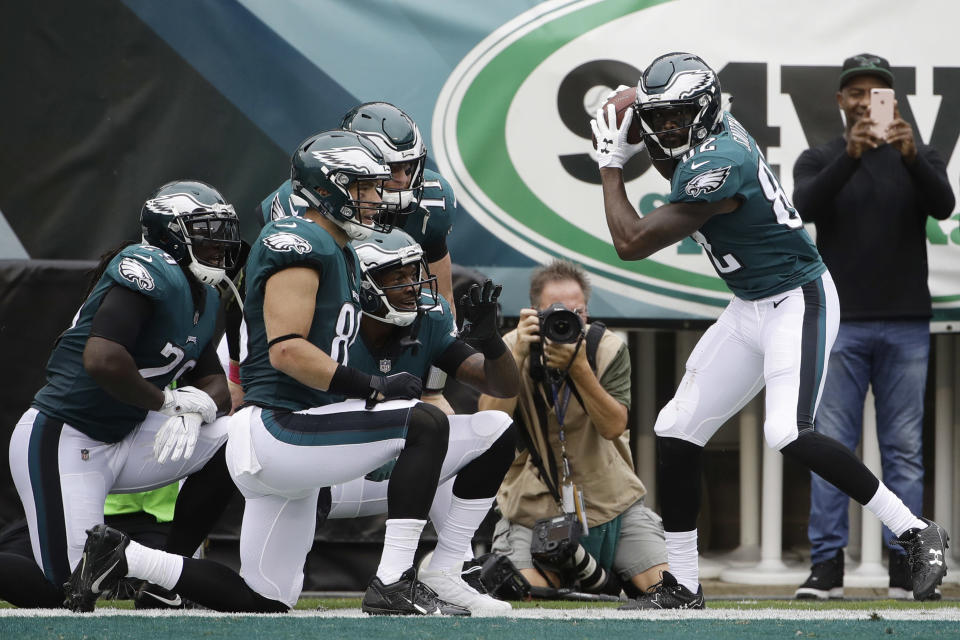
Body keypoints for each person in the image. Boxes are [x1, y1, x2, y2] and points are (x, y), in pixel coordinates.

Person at [591, 51, 949, 608]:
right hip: (750, 304)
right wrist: (637, 115)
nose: (666, 128)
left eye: (676, 116)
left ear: (704, 111)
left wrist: (612, 162)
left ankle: (914, 530)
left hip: (796, 298)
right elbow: (673, 161)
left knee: (787, 431)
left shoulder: (723, 158)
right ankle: (683, 584)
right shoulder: (707, 140)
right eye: (660, 117)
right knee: (675, 428)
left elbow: (631, 242)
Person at [65, 130, 467, 616]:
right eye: (363, 188)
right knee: (423, 422)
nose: (377, 199)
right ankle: (394, 580)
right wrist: (373, 386)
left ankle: (128, 558)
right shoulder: (300, 239)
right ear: (329, 186)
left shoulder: (338, 248)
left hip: (294, 433)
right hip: (279, 426)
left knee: (266, 602)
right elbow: (287, 351)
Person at [1, 180, 241, 608]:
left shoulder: (202, 295)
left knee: (240, 440)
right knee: (67, 588)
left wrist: (198, 407)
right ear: (171, 235)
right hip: (68, 435)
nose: (219, 249)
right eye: (206, 237)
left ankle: (168, 572)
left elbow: (216, 383)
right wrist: (168, 402)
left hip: (127, 433)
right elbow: (103, 360)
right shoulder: (145, 266)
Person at [791, 53, 955, 600]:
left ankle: (906, 568)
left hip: (906, 322)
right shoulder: (821, 157)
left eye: (875, 92)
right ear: (840, 101)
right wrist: (853, 155)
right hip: (840, 326)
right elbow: (806, 205)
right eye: (855, 92)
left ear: (891, 100)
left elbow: (945, 205)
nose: (864, 100)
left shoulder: (917, 153)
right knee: (832, 446)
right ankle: (827, 568)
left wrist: (911, 159)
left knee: (903, 450)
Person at [320, 228, 519, 615]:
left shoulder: (429, 318)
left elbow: (501, 385)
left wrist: (493, 342)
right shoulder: (329, 318)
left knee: (491, 428)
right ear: (362, 283)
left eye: (414, 274)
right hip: (325, 478)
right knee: (272, 591)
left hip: (402, 475)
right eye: (398, 277)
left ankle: (449, 569)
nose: (413, 286)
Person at [478, 259, 669, 597]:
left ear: (587, 313)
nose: (565, 322)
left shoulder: (607, 348)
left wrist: (579, 368)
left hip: (610, 501)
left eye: (576, 313)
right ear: (534, 312)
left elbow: (614, 426)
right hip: (532, 506)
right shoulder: (511, 346)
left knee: (667, 590)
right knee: (523, 593)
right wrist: (515, 356)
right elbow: (488, 424)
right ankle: (584, 581)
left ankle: (603, 578)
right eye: (555, 312)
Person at [259, 102, 460, 412]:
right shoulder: (302, 200)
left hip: (388, 324)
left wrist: (433, 389)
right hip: (319, 319)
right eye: (391, 169)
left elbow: (441, 301)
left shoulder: (431, 200)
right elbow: (268, 310)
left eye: (409, 167)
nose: (404, 179)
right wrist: (236, 374)